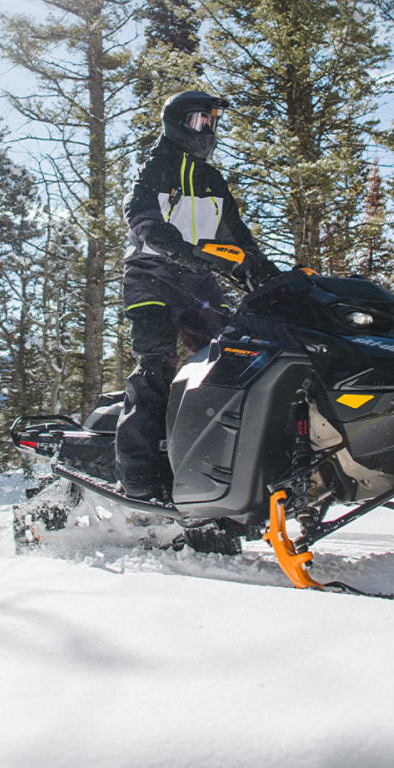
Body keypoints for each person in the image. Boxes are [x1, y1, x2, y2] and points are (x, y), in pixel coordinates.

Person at [114, 90, 279, 503]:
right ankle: (137, 476)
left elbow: (240, 240)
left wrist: (270, 276)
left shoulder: (212, 180)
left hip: (199, 285)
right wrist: (172, 245)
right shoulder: (156, 168)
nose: (209, 130)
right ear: (178, 123)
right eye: (200, 122)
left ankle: (207, 468)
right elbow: (141, 218)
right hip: (151, 277)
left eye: (213, 123)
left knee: (226, 367)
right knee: (158, 362)